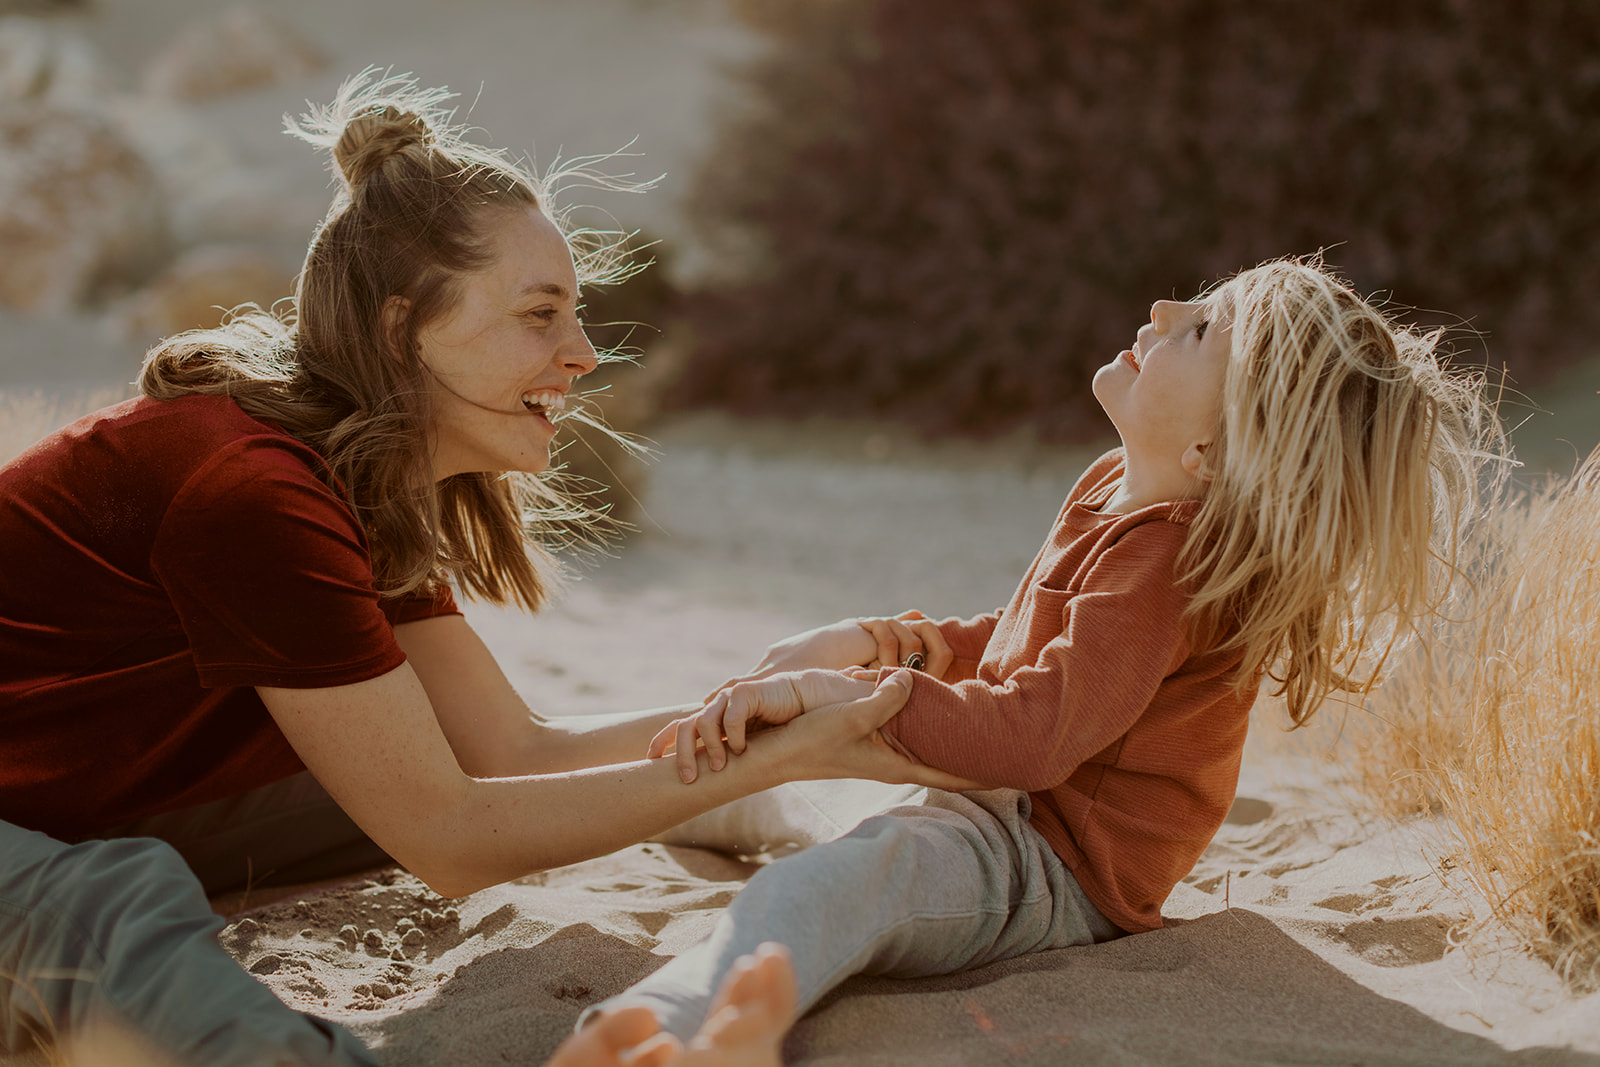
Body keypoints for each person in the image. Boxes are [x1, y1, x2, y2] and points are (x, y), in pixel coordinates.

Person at [0, 70, 969, 1066]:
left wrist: (770, 705)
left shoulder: (351, 476)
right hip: (51, 838)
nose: (584, 352)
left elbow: (509, 749)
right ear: (398, 329)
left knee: (382, 768)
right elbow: (450, 837)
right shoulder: (250, 489)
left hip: (59, 807)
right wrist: (778, 754)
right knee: (107, 904)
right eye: (539, 314)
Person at [592, 258, 1507, 1042]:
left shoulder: (1172, 560)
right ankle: (557, 797)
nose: (1162, 313)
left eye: (1198, 333)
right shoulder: (1116, 485)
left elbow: (1035, 734)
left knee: (845, 881)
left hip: (1048, 864)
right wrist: (889, 643)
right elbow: (1021, 638)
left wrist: (841, 696)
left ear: (1212, 450)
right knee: (739, 776)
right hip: (982, 791)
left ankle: (675, 1026)